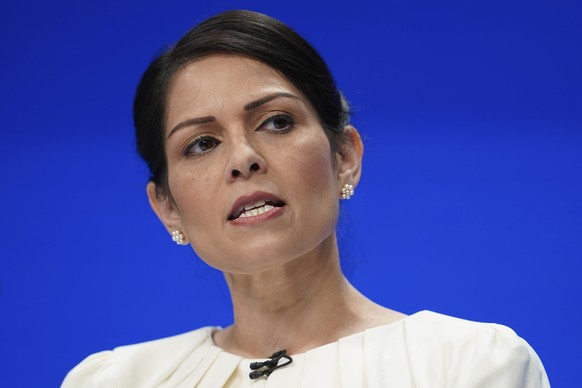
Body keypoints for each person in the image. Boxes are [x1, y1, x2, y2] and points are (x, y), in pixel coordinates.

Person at [62, 10, 549, 387]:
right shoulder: (115, 380)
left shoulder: (466, 365)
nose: (243, 158)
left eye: (276, 121)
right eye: (202, 144)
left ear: (344, 156)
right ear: (167, 206)